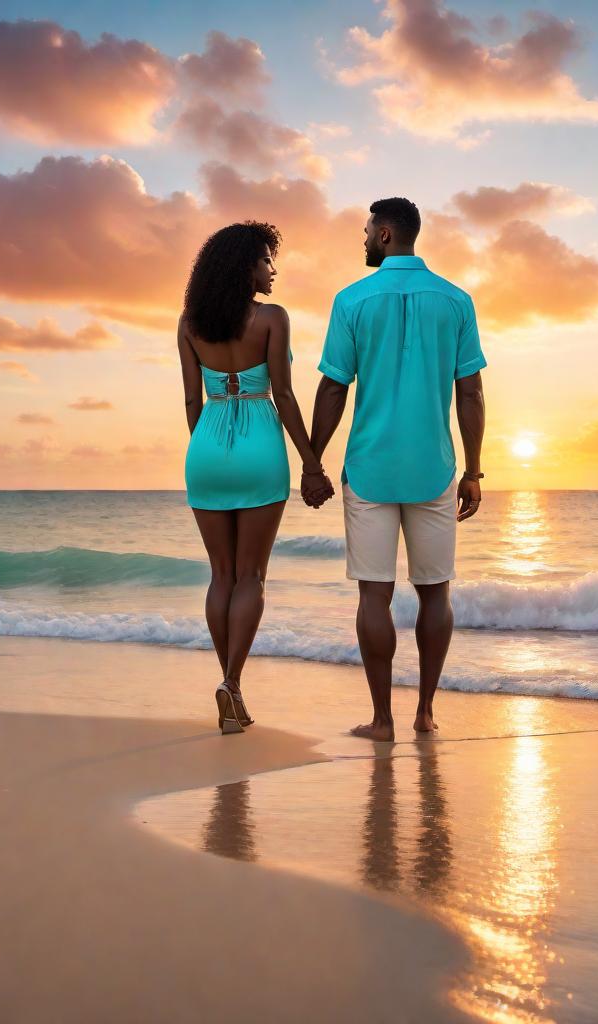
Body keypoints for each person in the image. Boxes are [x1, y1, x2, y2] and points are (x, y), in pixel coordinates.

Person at [307, 197, 486, 742]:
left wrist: (313, 462)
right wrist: (474, 471)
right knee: (437, 593)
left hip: (370, 469)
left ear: (385, 234)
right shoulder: (455, 300)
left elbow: (334, 386)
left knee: (373, 596)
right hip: (433, 468)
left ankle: (383, 720)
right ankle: (425, 713)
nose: (362, 240)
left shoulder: (352, 300)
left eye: (365, 231)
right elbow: (470, 391)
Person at [179, 221, 335, 735]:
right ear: (245, 265)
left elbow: (190, 402)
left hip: (206, 445)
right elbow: (285, 396)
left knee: (220, 575)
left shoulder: (189, 323)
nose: (273, 269)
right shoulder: (271, 318)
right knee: (252, 577)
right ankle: (231, 681)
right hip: (259, 443)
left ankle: (231, 688)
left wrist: (207, 449)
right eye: (267, 259)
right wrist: (312, 463)